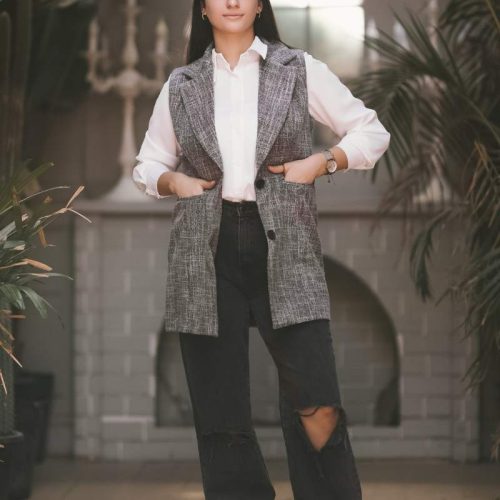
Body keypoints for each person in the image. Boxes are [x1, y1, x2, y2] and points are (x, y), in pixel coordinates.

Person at [133, 1, 390, 498]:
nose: (232, 1)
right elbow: (147, 165)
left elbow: (371, 131)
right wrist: (173, 182)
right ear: (203, 8)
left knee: (318, 406)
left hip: (286, 247)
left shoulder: (298, 69)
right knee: (221, 420)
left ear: (258, 4)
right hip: (205, 253)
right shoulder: (182, 84)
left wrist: (322, 162)